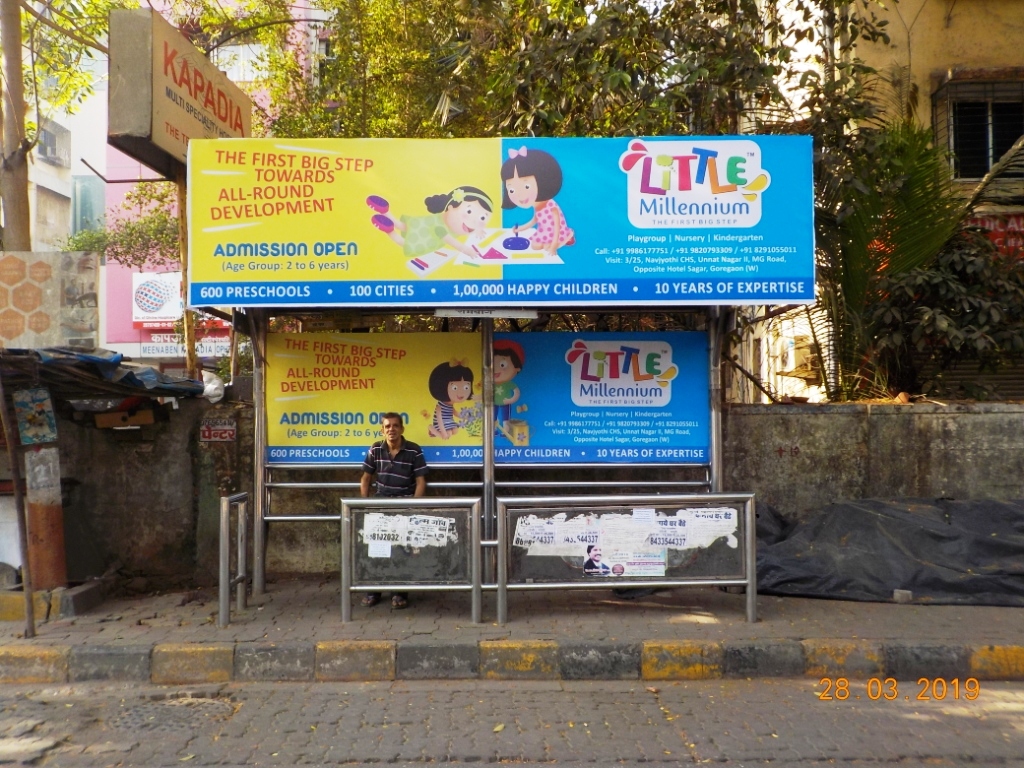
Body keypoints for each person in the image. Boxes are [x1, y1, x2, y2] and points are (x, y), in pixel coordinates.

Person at [360, 412, 428, 609]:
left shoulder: (414, 451)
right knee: (376, 551)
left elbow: (421, 481)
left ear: (402, 429)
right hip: (379, 506)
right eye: (387, 426)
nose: (391, 429)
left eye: (395, 426)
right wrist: (365, 506)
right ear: (382, 430)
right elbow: (365, 479)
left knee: (401, 551)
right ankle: (373, 592)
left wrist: (413, 508)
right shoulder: (375, 449)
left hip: (405, 506)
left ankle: (399, 594)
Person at [368, 187, 494, 259]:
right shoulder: (442, 229)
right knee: (402, 241)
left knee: (404, 226)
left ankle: (386, 212)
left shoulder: (442, 219)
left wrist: (479, 228)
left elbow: (473, 224)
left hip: (423, 225)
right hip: (425, 238)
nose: (473, 221)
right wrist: (468, 251)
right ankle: (389, 230)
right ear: (450, 207)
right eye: (469, 211)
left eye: (483, 218)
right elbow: (454, 243)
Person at [501, 146, 575, 257]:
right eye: (511, 189)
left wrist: (554, 245)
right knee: (535, 246)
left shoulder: (551, 206)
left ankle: (567, 238)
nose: (519, 194)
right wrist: (519, 229)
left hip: (557, 234)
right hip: (544, 232)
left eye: (526, 186)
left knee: (546, 248)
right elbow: (534, 221)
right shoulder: (537, 207)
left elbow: (557, 226)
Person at [426, 360, 475, 440]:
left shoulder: (450, 406)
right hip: (440, 423)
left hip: (448, 421)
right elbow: (439, 419)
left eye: (466, 387)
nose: (461, 392)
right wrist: (443, 433)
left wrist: (466, 417)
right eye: (455, 388)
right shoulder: (440, 406)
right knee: (447, 435)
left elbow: (456, 414)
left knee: (455, 431)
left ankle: (436, 432)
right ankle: (431, 428)